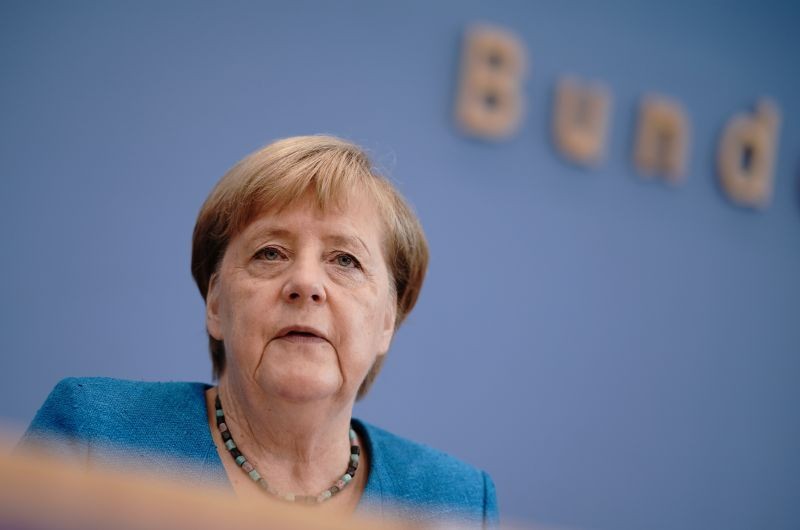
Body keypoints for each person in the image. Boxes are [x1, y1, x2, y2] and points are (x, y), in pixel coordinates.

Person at [20, 135, 498, 525]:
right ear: (215, 303)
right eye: (270, 252)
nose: (306, 284)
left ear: (387, 323)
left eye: (345, 260)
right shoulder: (96, 435)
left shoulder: (455, 501)